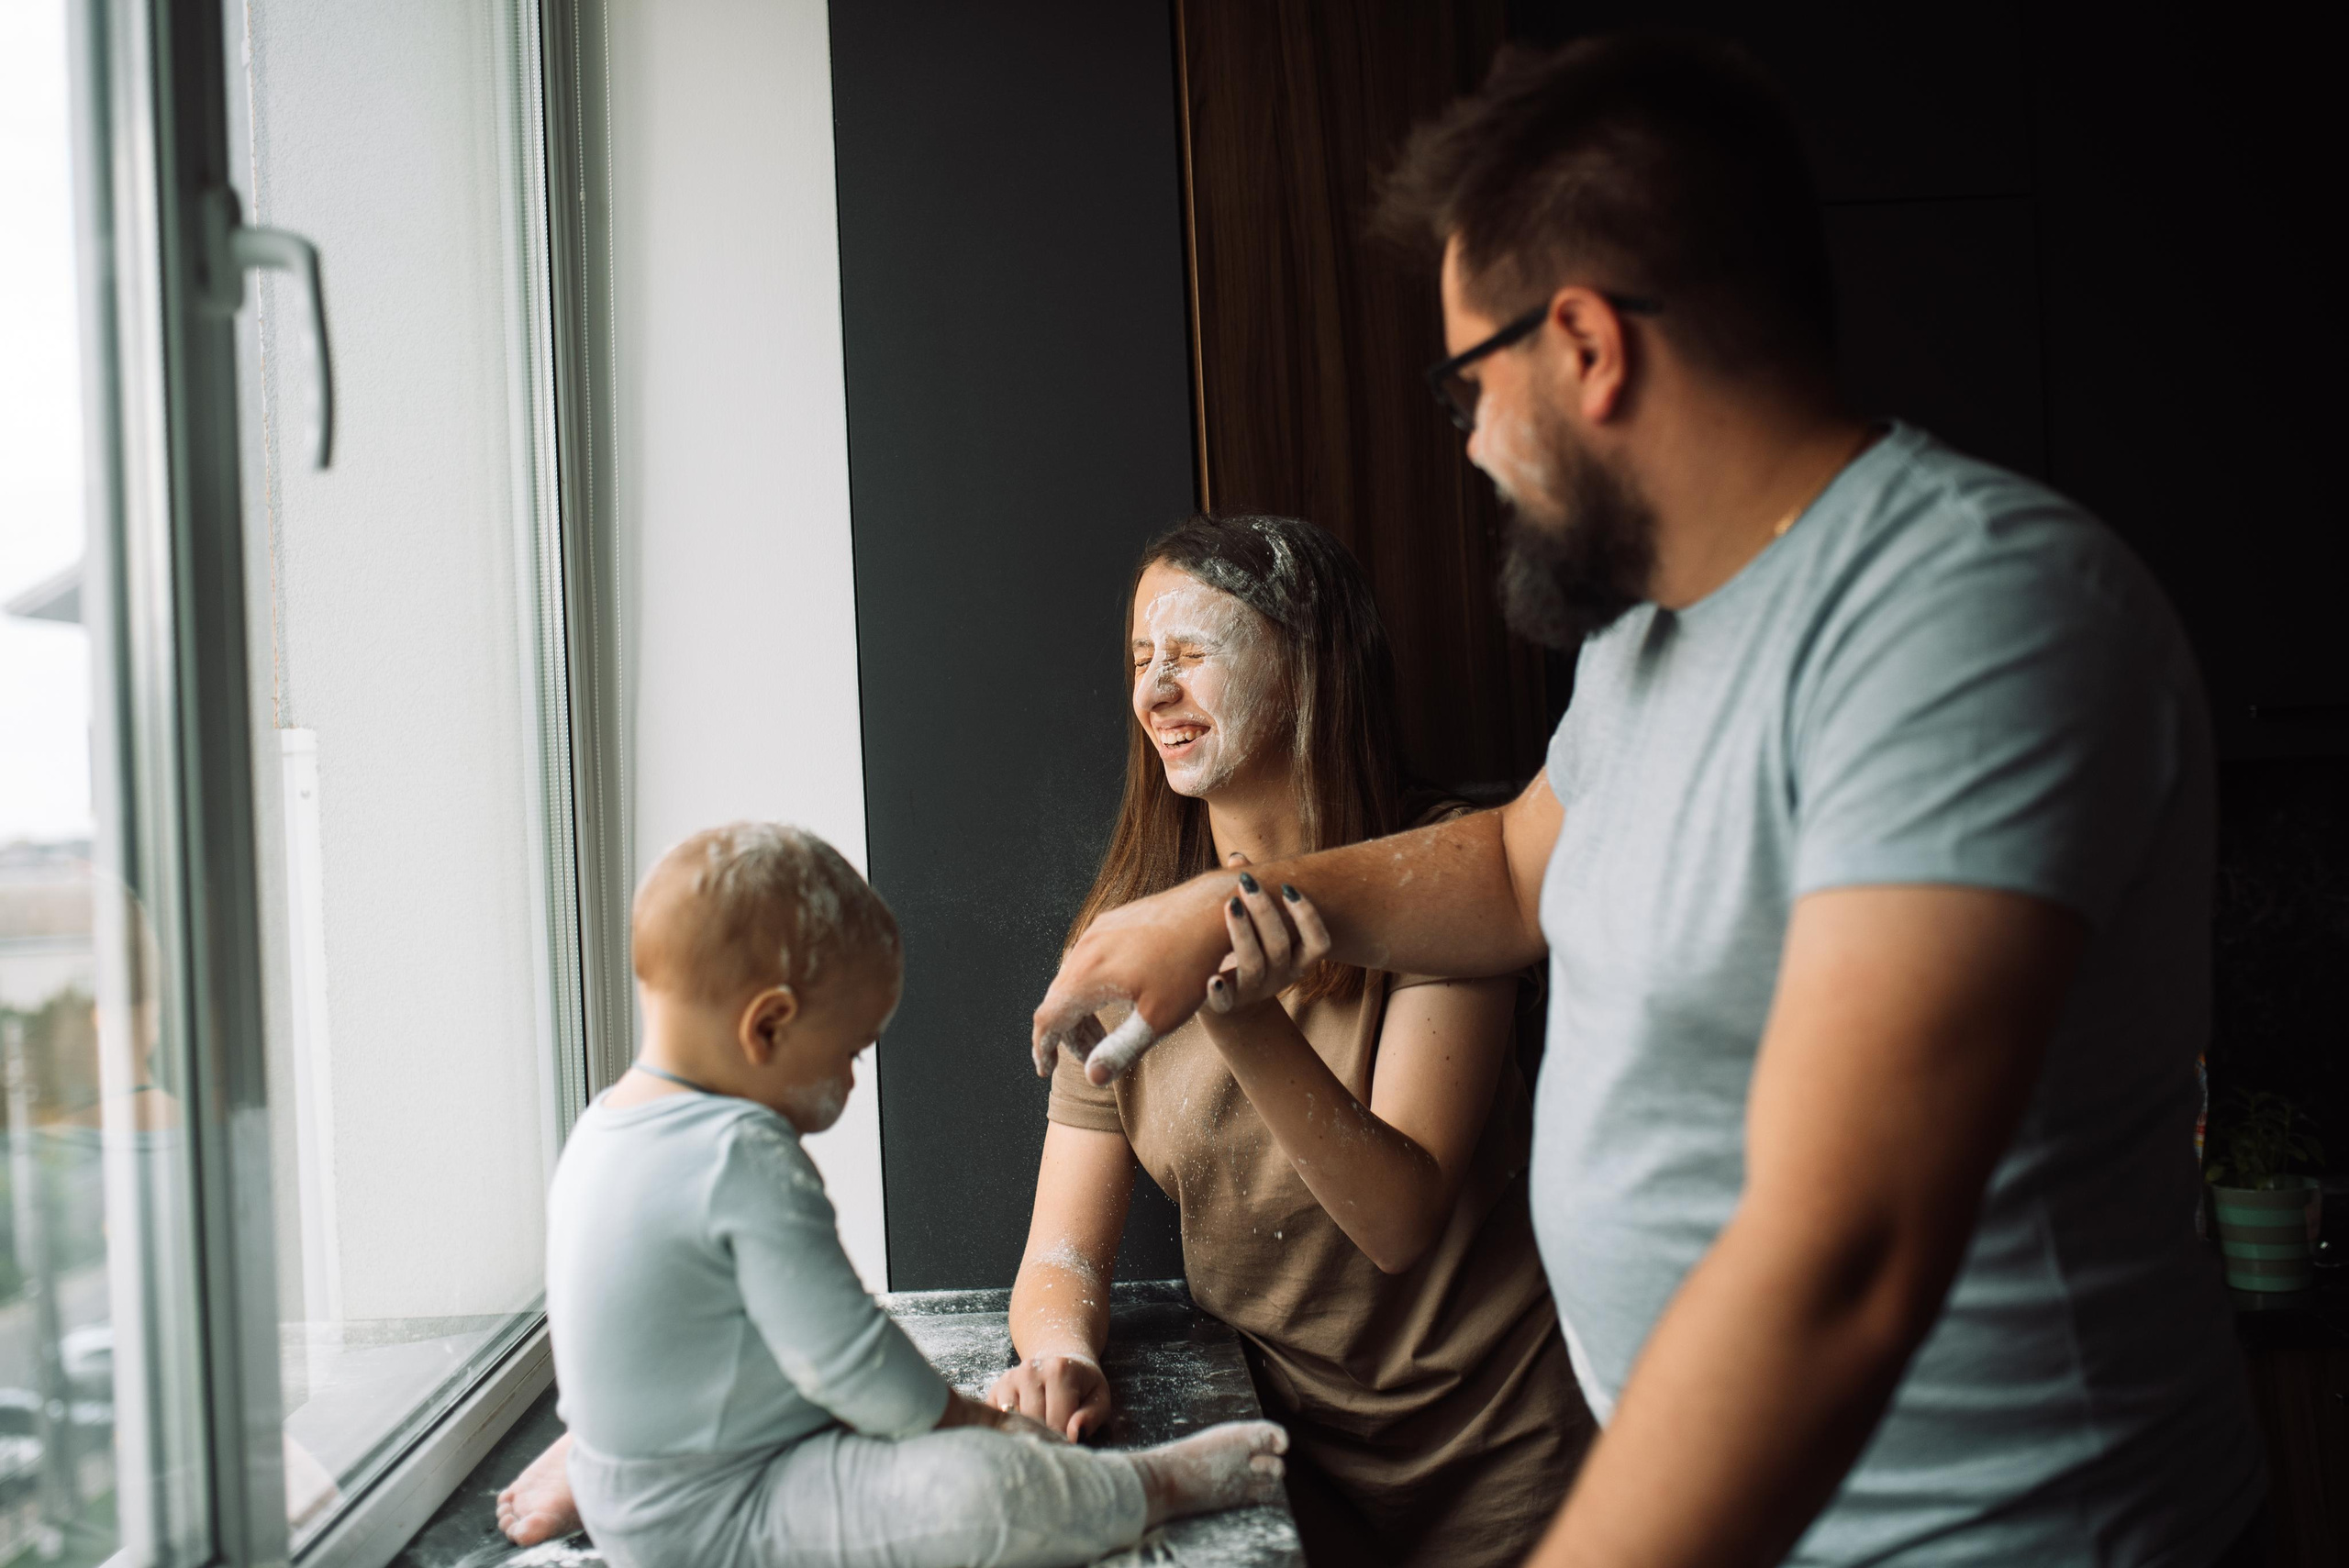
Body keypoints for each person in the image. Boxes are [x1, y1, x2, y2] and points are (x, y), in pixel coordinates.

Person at [1034, 35, 2264, 1568]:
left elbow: (1842, 1260)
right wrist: (1212, 907)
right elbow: (1512, 866)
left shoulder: (1967, 615)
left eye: (1466, 382)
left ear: (1588, 346)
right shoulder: (1649, 641)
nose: (1470, 439)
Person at [993, 515, 1588, 1568]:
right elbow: (1060, 1250)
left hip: (1506, 1469)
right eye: (1141, 662)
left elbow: (1396, 1220)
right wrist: (1059, 1352)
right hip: (1285, 1467)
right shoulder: (1122, 934)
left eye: (1189, 655)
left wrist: (1232, 1006)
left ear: (1304, 666)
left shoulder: (1435, 887)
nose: (1153, 694)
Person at [503, 822, 1287, 1567]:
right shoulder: (741, 1157)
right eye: (848, 1050)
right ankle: (1150, 1486)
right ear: (768, 1026)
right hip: (728, 1517)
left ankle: (604, 1463)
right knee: (980, 1492)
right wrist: (967, 1423)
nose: (852, 1077)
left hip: (643, 1473)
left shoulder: (602, 1133)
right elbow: (847, 1359)